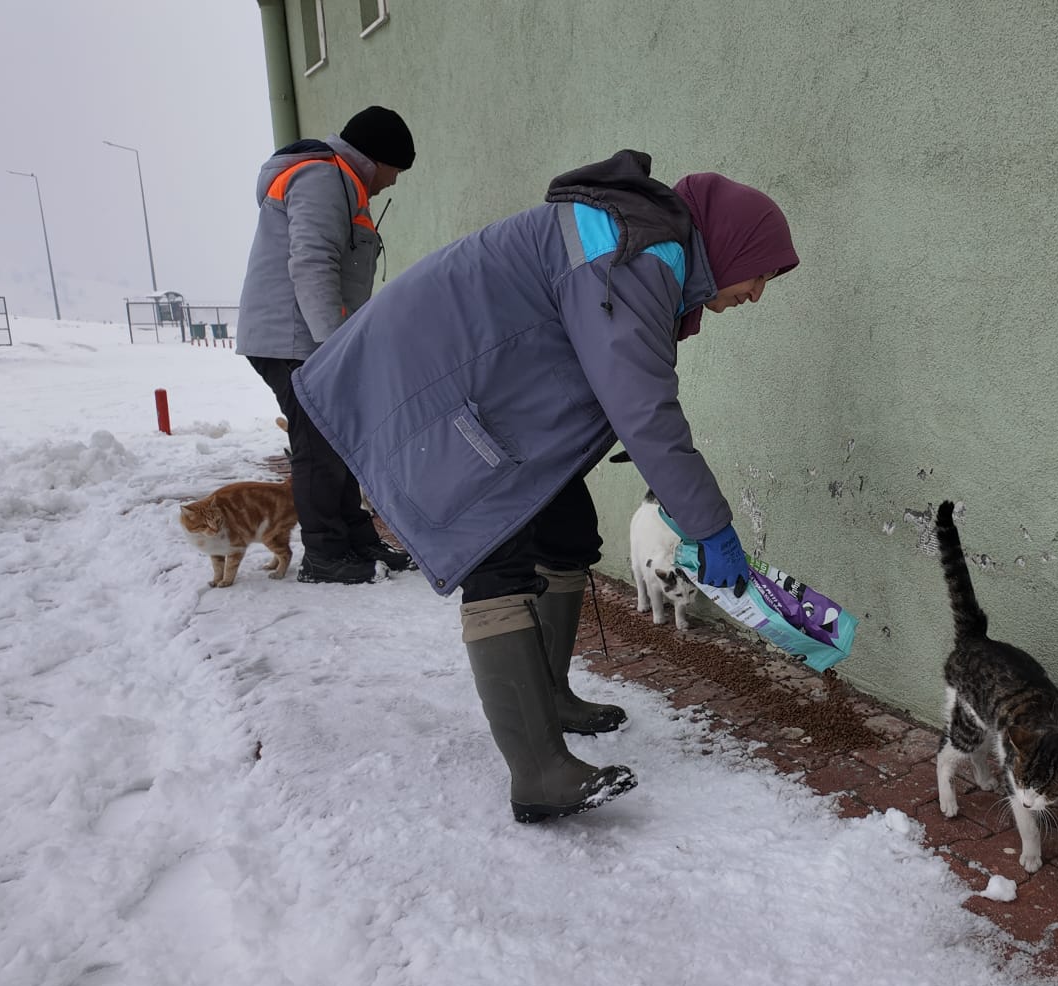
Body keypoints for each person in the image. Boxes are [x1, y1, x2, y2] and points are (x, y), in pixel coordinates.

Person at [293, 149, 798, 823]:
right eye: (760, 275)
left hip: (475, 388)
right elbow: (644, 409)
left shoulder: (643, 246)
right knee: (494, 552)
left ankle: (550, 697)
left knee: (566, 531)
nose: (757, 294)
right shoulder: (637, 256)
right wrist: (710, 526)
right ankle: (537, 772)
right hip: (423, 387)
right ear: (732, 247)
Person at [236, 105, 419, 584]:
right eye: (396, 170)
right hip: (294, 340)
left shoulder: (341, 182)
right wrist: (334, 348)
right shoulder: (322, 178)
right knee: (318, 445)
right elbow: (312, 263)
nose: (393, 182)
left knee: (336, 438)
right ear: (376, 159)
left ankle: (356, 539)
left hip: (308, 339)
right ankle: (324, 554)